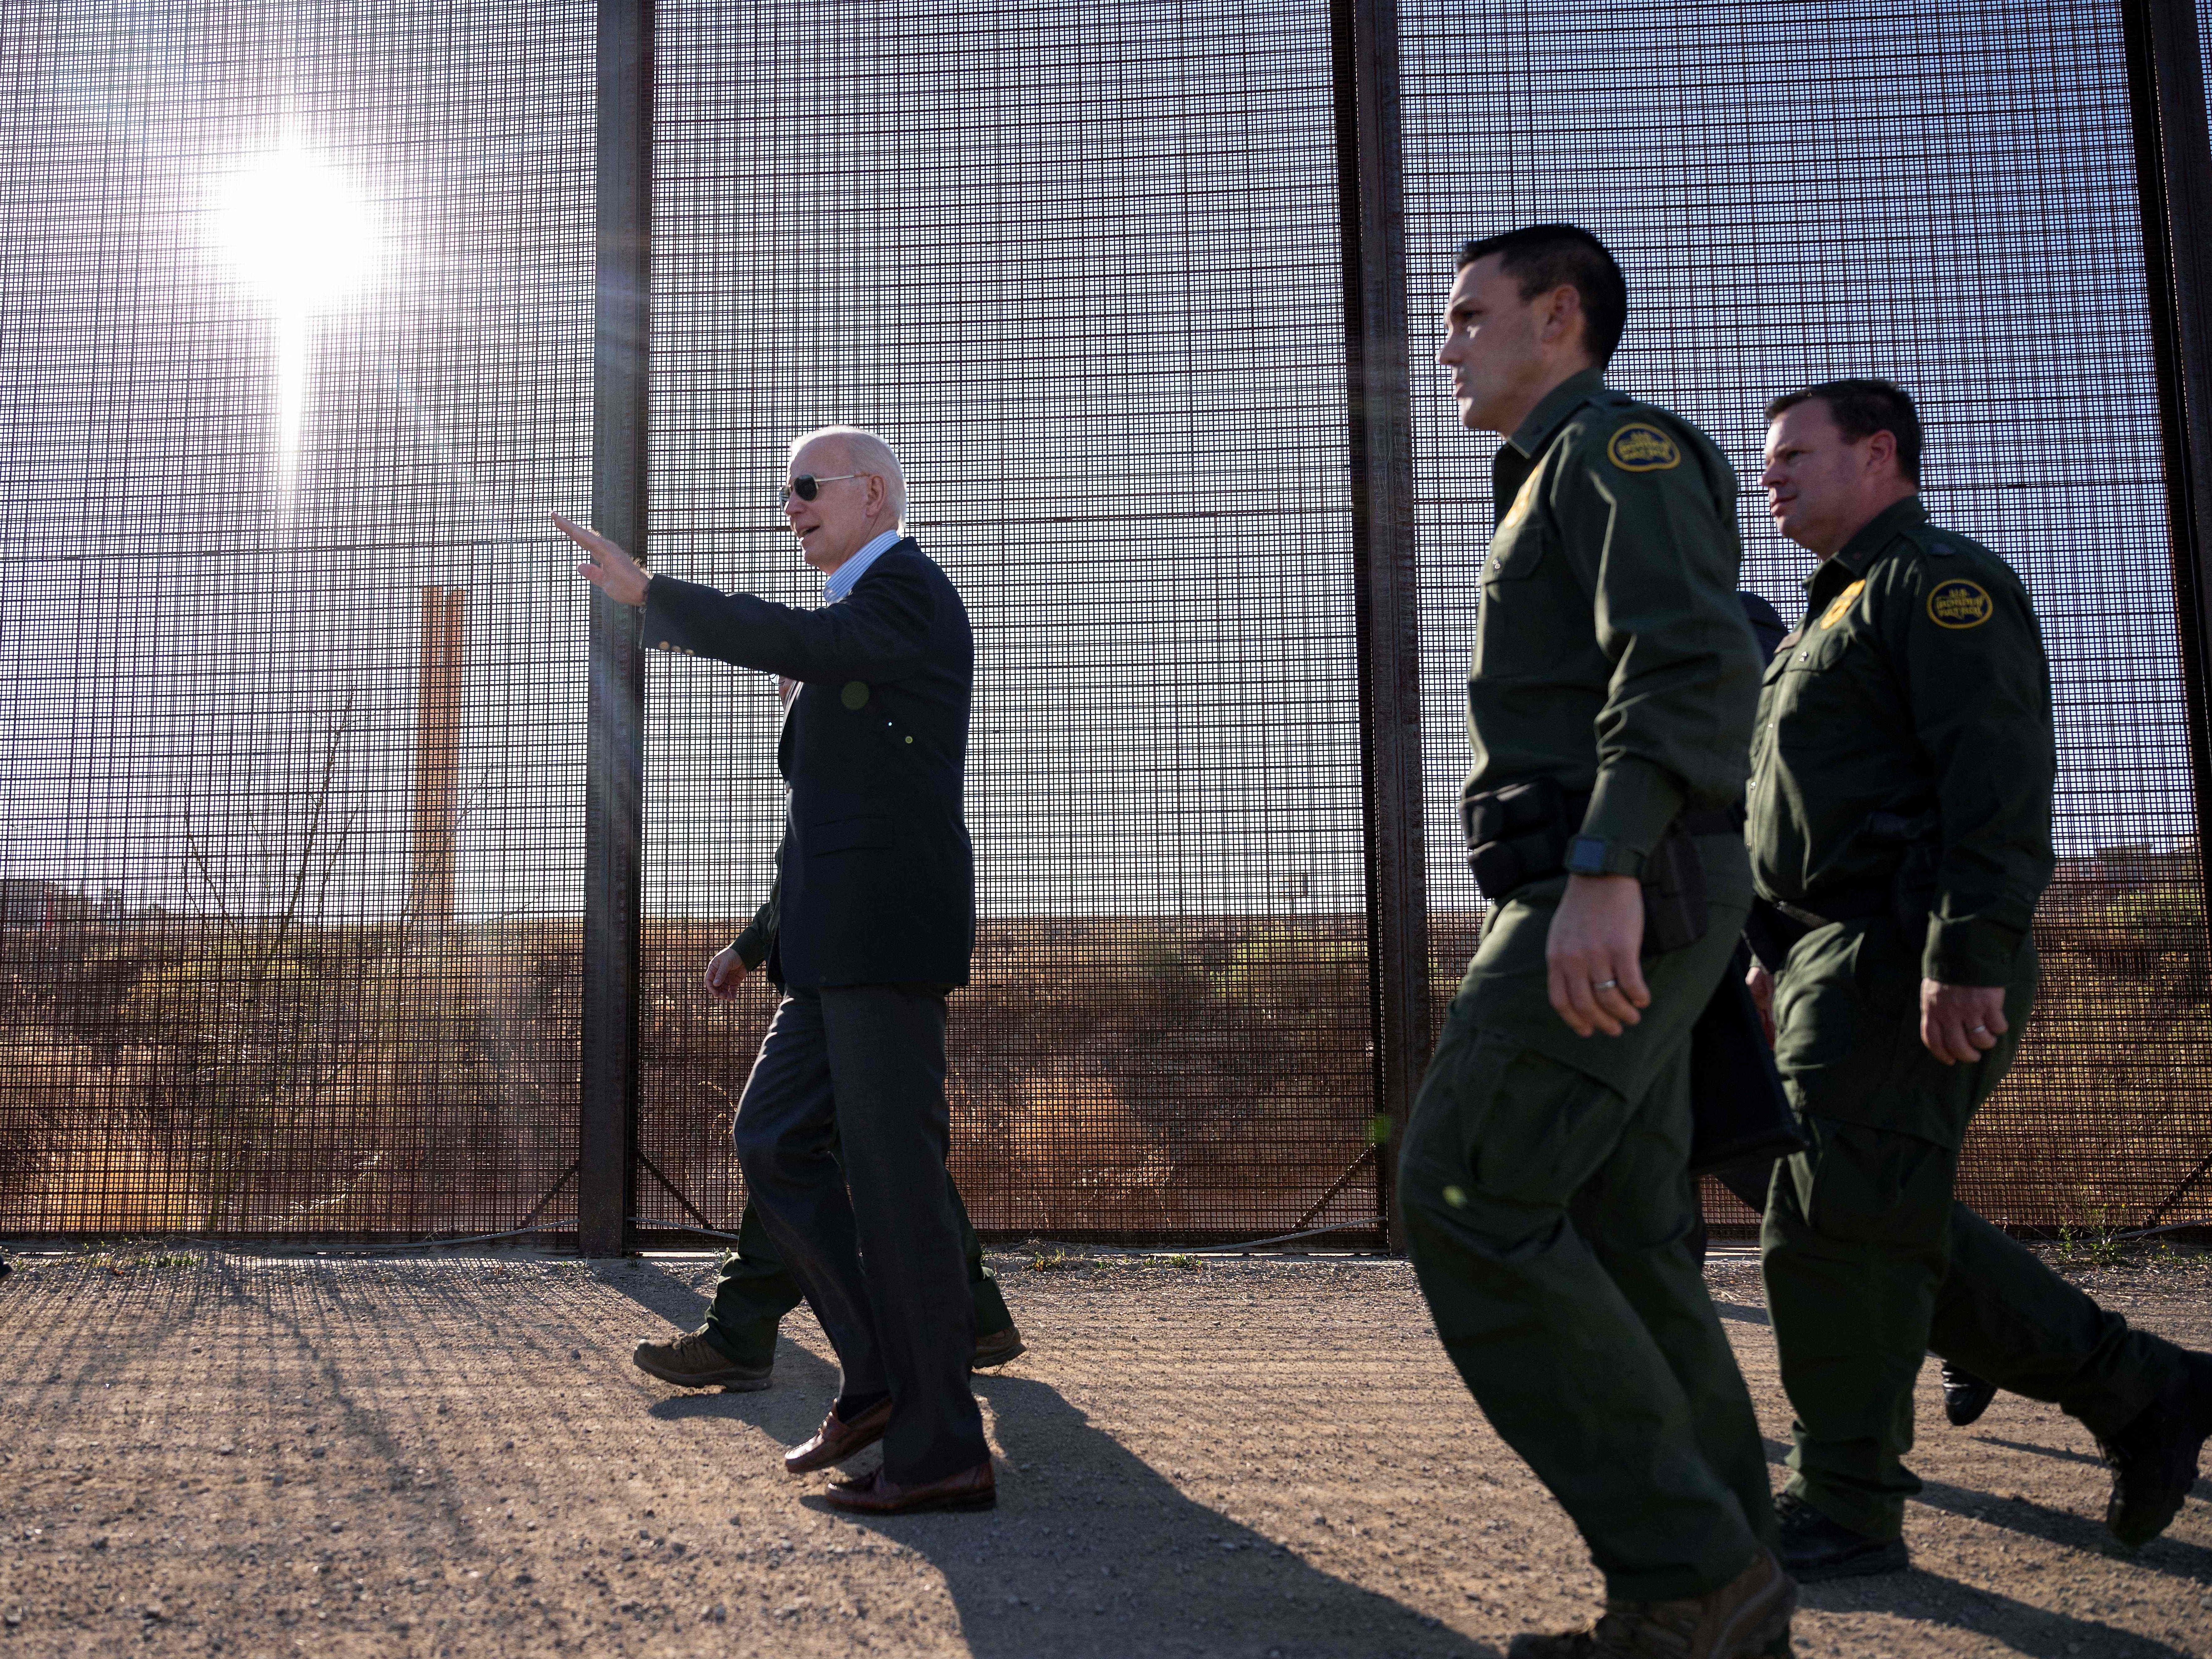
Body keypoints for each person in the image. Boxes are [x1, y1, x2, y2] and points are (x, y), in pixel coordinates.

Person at [1405, 224, 1794, 1659]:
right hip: (1616, 883)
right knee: (1628, 1239)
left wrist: (1604, 864)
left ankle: (1689, 1569)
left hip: (1619, 885)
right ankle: (1720, 1593)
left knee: (1466, 1192)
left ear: (1557, 316)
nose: (1445, 345)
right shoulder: (1545, 479)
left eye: (1466, 316)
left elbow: (1690, 658)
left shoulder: (1617, 452)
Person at [1748, 377, 2212, 1578]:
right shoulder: (1820, 618)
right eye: (1770, 459)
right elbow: (1788, 815)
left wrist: (1965, 953)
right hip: (1828, 960)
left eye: (1797, 453)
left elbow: (1995, 780)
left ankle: (1845, 1503)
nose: (1774, 476)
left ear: (1880, 453)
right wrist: (1770, 950)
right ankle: (2140, 1385)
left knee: (1832, 1234)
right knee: (1863, 1215)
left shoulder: (1933, 582)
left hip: (1904, 951)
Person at [556, 424, 996, 1516]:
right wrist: (758, 943)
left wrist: (655, 594)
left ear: (874, 494)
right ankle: (883, 1381)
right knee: (770, 1138)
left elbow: (801, 641)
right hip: (826, 951)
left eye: (807, 486)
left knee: (896, 1189)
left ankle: (941, 1447)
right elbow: (828, 820)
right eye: (785, 490)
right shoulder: (858, 620)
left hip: (884, 944)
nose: (789, 505)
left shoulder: (905, 590)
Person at [631, 868, 1024, 1391]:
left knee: (805, 1144)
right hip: (835, 969)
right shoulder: (821, 792)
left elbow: (871, 842)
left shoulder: (874, 787)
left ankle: (748, 1337)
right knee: (823, 1146)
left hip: (866, 966)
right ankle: (972, 1319)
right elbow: (806, 857)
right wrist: (751, 945)